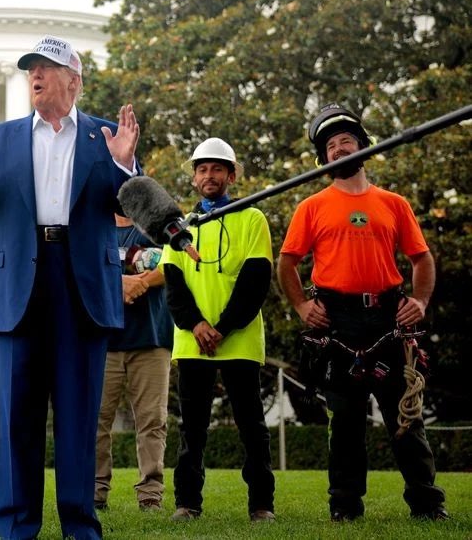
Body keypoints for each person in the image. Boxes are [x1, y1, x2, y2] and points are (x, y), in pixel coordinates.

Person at [0, 34, 140, 539]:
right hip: (19, 282)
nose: (35, 75)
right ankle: (16, 527)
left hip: (82, 281)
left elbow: (127, 206)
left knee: (78, 415)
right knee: (17, 417)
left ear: (73, 79)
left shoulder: (106, 137)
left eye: (45, 67)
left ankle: (79, 525)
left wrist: (123, 165)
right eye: (30, 69)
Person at [277, 103, 448, 521]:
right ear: (323, 159)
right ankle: (345, 507)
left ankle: (427, 505)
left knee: (405, 418)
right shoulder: (312, 207)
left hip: (388, 318)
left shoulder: (393, 203)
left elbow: (422, 260)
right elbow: (286, 262)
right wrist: (301, 305)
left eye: (346, 141)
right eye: (331, 145)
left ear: (364, 147)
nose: (339, 149)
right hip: (336, 321)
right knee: (348, 421)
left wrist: (420, 302)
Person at [161, 138, 276, 523]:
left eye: (217, 169)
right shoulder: (178, 228)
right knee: (191, 429)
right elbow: (173, 285)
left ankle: (262, 505)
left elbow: (256, 282)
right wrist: (196, 325)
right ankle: (187, 504)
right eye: (202, 169)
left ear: (232, 174)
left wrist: (222, 328)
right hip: (191, 342)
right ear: (194, 178)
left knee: (252, 427)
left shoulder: (252, 219)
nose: (209, 176)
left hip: (239, 340)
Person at [94, 214, 174, 513]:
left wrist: (140, 282)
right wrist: (119, 284)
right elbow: (80, 270)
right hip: (102, 341)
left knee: (153, 421)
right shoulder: (93, 225)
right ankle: (95, 491)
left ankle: (150, 494)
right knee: (96, 421)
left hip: (152, 339)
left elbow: (175, 263)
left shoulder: (158, 226)